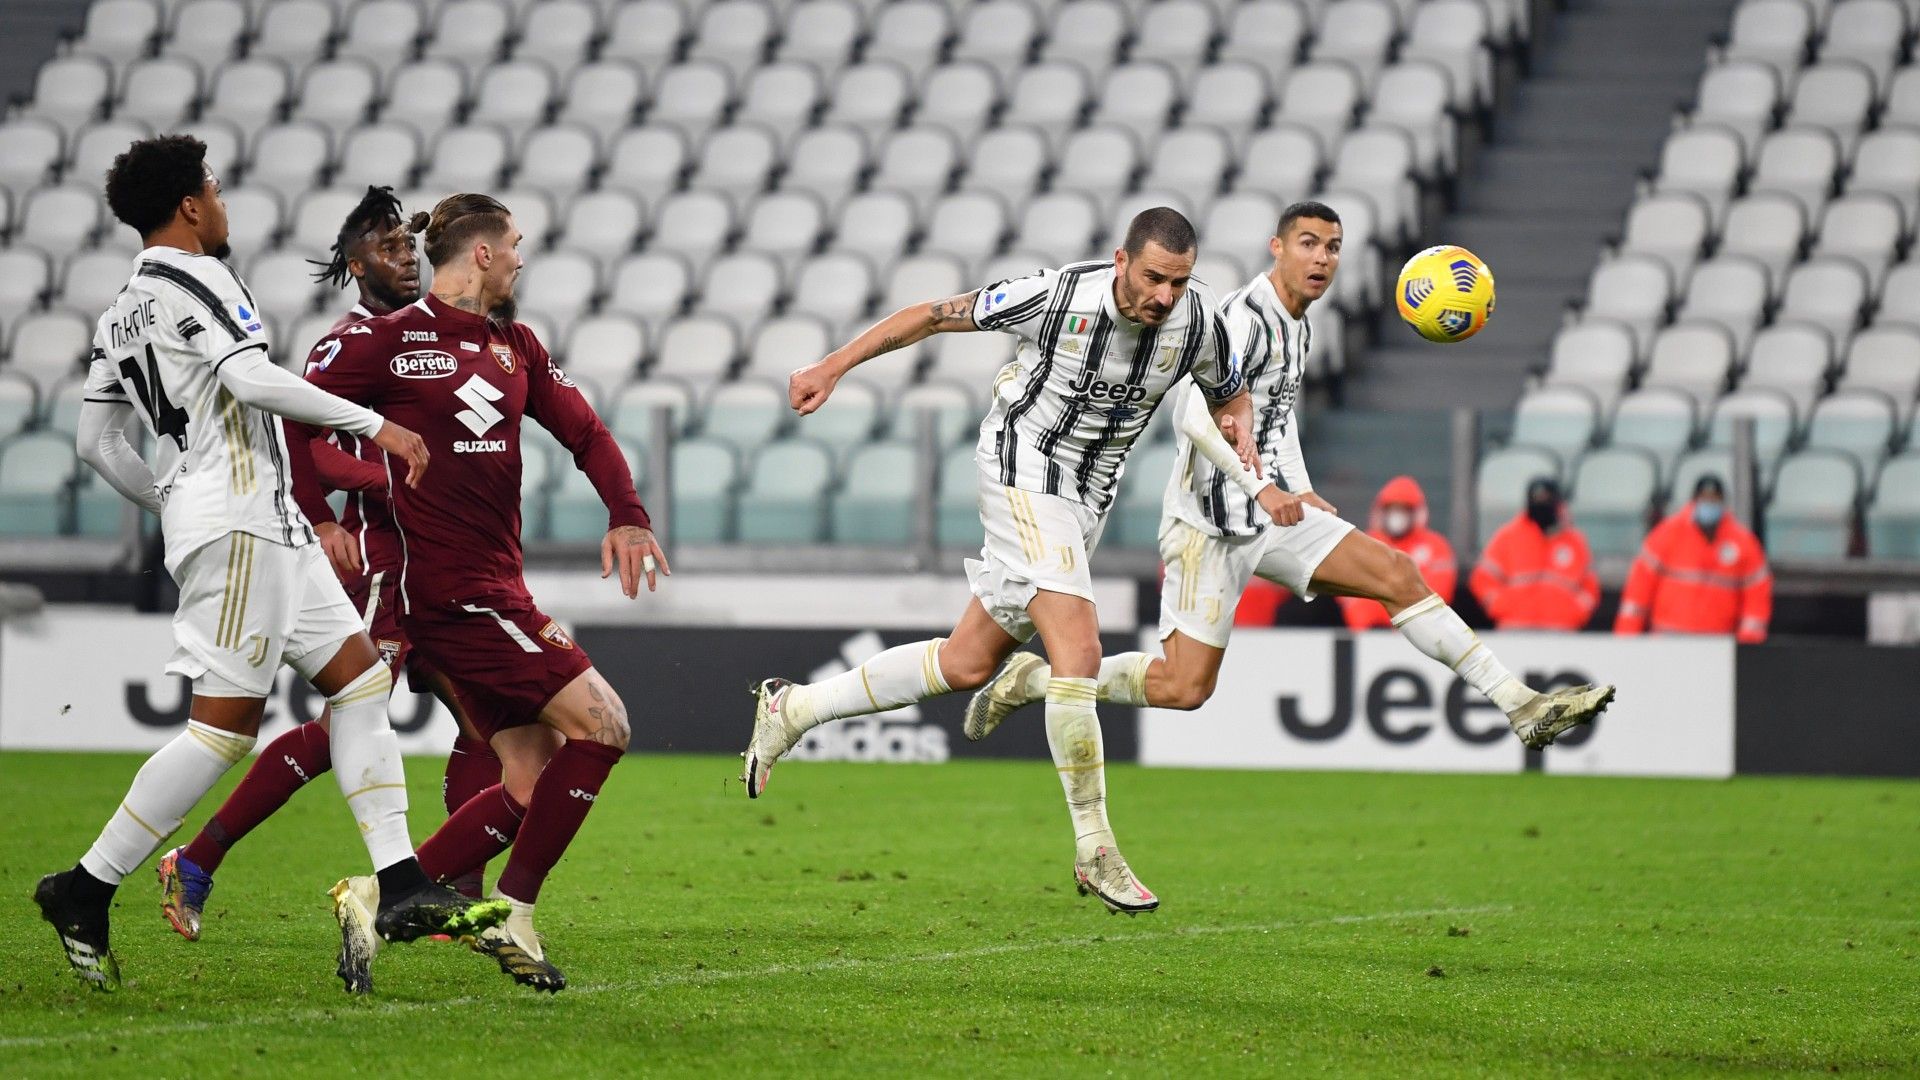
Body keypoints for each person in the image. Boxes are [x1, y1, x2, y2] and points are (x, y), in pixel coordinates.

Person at [39, 135, 506, 992]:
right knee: (221, 732)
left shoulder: (118, 314)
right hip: (242, 525)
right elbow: (251, 380)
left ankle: (400, 883)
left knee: (361, 684)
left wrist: (164, 499)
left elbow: (95, 441)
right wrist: (375, 425)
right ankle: (86, 886)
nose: (221, 203)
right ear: (190, 205)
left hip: (263, 522)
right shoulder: (202, 278)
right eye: (213, 188)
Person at [742, 207, 1257, 914]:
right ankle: (1095, 847)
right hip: (1022, 467)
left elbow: (1231, 392)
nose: (1163, 297)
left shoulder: (1197, 325)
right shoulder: (1055, 297)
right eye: (1153, 278)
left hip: (1086, 501)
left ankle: (792, 709)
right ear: (1120, 261)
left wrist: (1242, 437)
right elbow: (932, 315)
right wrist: (834, 366)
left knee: (966, 663)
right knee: (1077, 650)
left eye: (1179, 281)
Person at [963, 202, 1613, 759]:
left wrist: (1293, 483)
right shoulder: (1246, 316)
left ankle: (1520, 704)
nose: (1322, 258)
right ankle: (1036, 682)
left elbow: (1276, 414)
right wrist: (1261, 489)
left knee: (1397, 574)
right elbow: (1195, 416)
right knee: (1184, 688)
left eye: (1333, 247)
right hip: (1210, 525)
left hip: (1271, 517)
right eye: (1308, 243)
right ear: (1277, 248)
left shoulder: (1296, 323)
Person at [157, 187, 556, 953]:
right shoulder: (349, 344)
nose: (403, 257)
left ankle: (452, 899)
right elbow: (299, 438)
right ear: (354, 263)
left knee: (489, 721)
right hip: (383, 561)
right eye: (385, 247)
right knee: (343, 725)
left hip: (452, 570)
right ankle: (198, 858)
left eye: (409, 245)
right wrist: (330, 513)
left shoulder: (445, 335)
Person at [289, 192, 669, 993]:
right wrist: (318, 515)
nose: (524, 258)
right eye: (517, 244)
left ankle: (375, 897)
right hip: (451, 591)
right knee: (606, 725)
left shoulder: (517, 346)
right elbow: (291, 411)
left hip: (492, 582)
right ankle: (516, 911)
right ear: (484, 254)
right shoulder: (387, 342)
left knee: (534, 771)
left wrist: (628, 516)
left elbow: (588, 434)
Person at [1615, 474, 1771, 643]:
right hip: (1667, 640)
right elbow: (1639, 590)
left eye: (1714, 500)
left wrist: (1748, 642)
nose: (1709, 504)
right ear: (1694, 501)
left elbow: (1757, 596)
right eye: (1704, 499)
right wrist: (1626, 637)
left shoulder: (1743, 543)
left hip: (1718, 644)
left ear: (1723, 503)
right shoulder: (1667, 534)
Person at [1470, 477, 1599, 631]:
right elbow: (1482, 579)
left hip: (1562, 632)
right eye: (1537, 499)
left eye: (1546, 499)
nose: (1541, 504)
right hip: (1515, 629)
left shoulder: (1574, 541)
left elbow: (1590, 588)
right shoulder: (1509, 536)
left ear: (1557, 503)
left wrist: (1576, 611)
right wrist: (1500, 605)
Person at [1338, 475, 1456, 631]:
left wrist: (1406, 624)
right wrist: (1368, 623)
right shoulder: (1364, 544)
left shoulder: (1436, 547)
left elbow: (1437, 594)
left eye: (1404, 509)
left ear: (1416, 512)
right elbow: (1350, 592)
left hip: (1420, 633)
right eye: (1391, 508)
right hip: (1370, 634)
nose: (1397, 515)